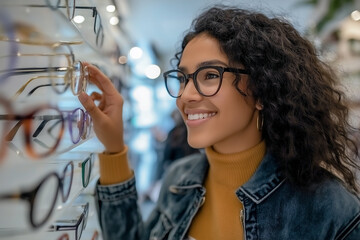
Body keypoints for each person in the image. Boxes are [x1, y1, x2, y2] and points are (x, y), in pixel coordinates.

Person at [78, 5, 360, 240]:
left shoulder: (329, 209)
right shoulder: (180, 180)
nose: (185, 96)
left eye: (210, 75)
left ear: (262, 89)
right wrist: (114, 147)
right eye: (183, 78)